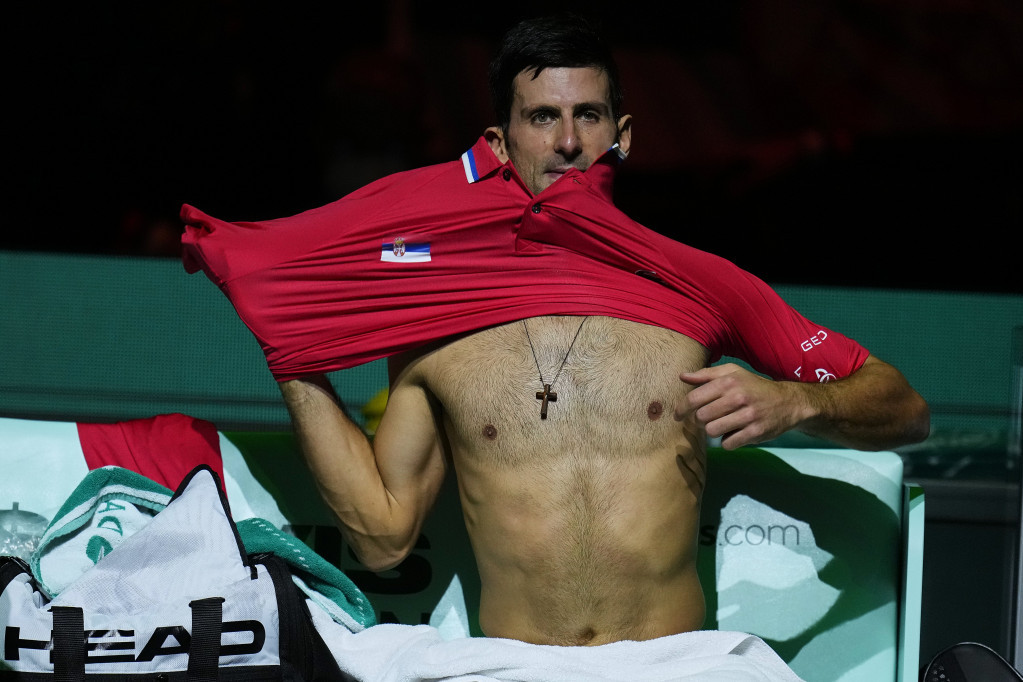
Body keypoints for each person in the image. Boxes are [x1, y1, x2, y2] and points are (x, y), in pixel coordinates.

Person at [188, 14, 930, 648]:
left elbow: (904, 408)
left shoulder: (699, 282)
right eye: (543, 117)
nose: (568, 141)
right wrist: (291, 349)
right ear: (500, 140)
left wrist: (796, 400)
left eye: (590, 116)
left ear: (623, 134)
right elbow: (383, 537)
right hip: (516, 666)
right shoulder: (437, 315)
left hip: (669, 666)